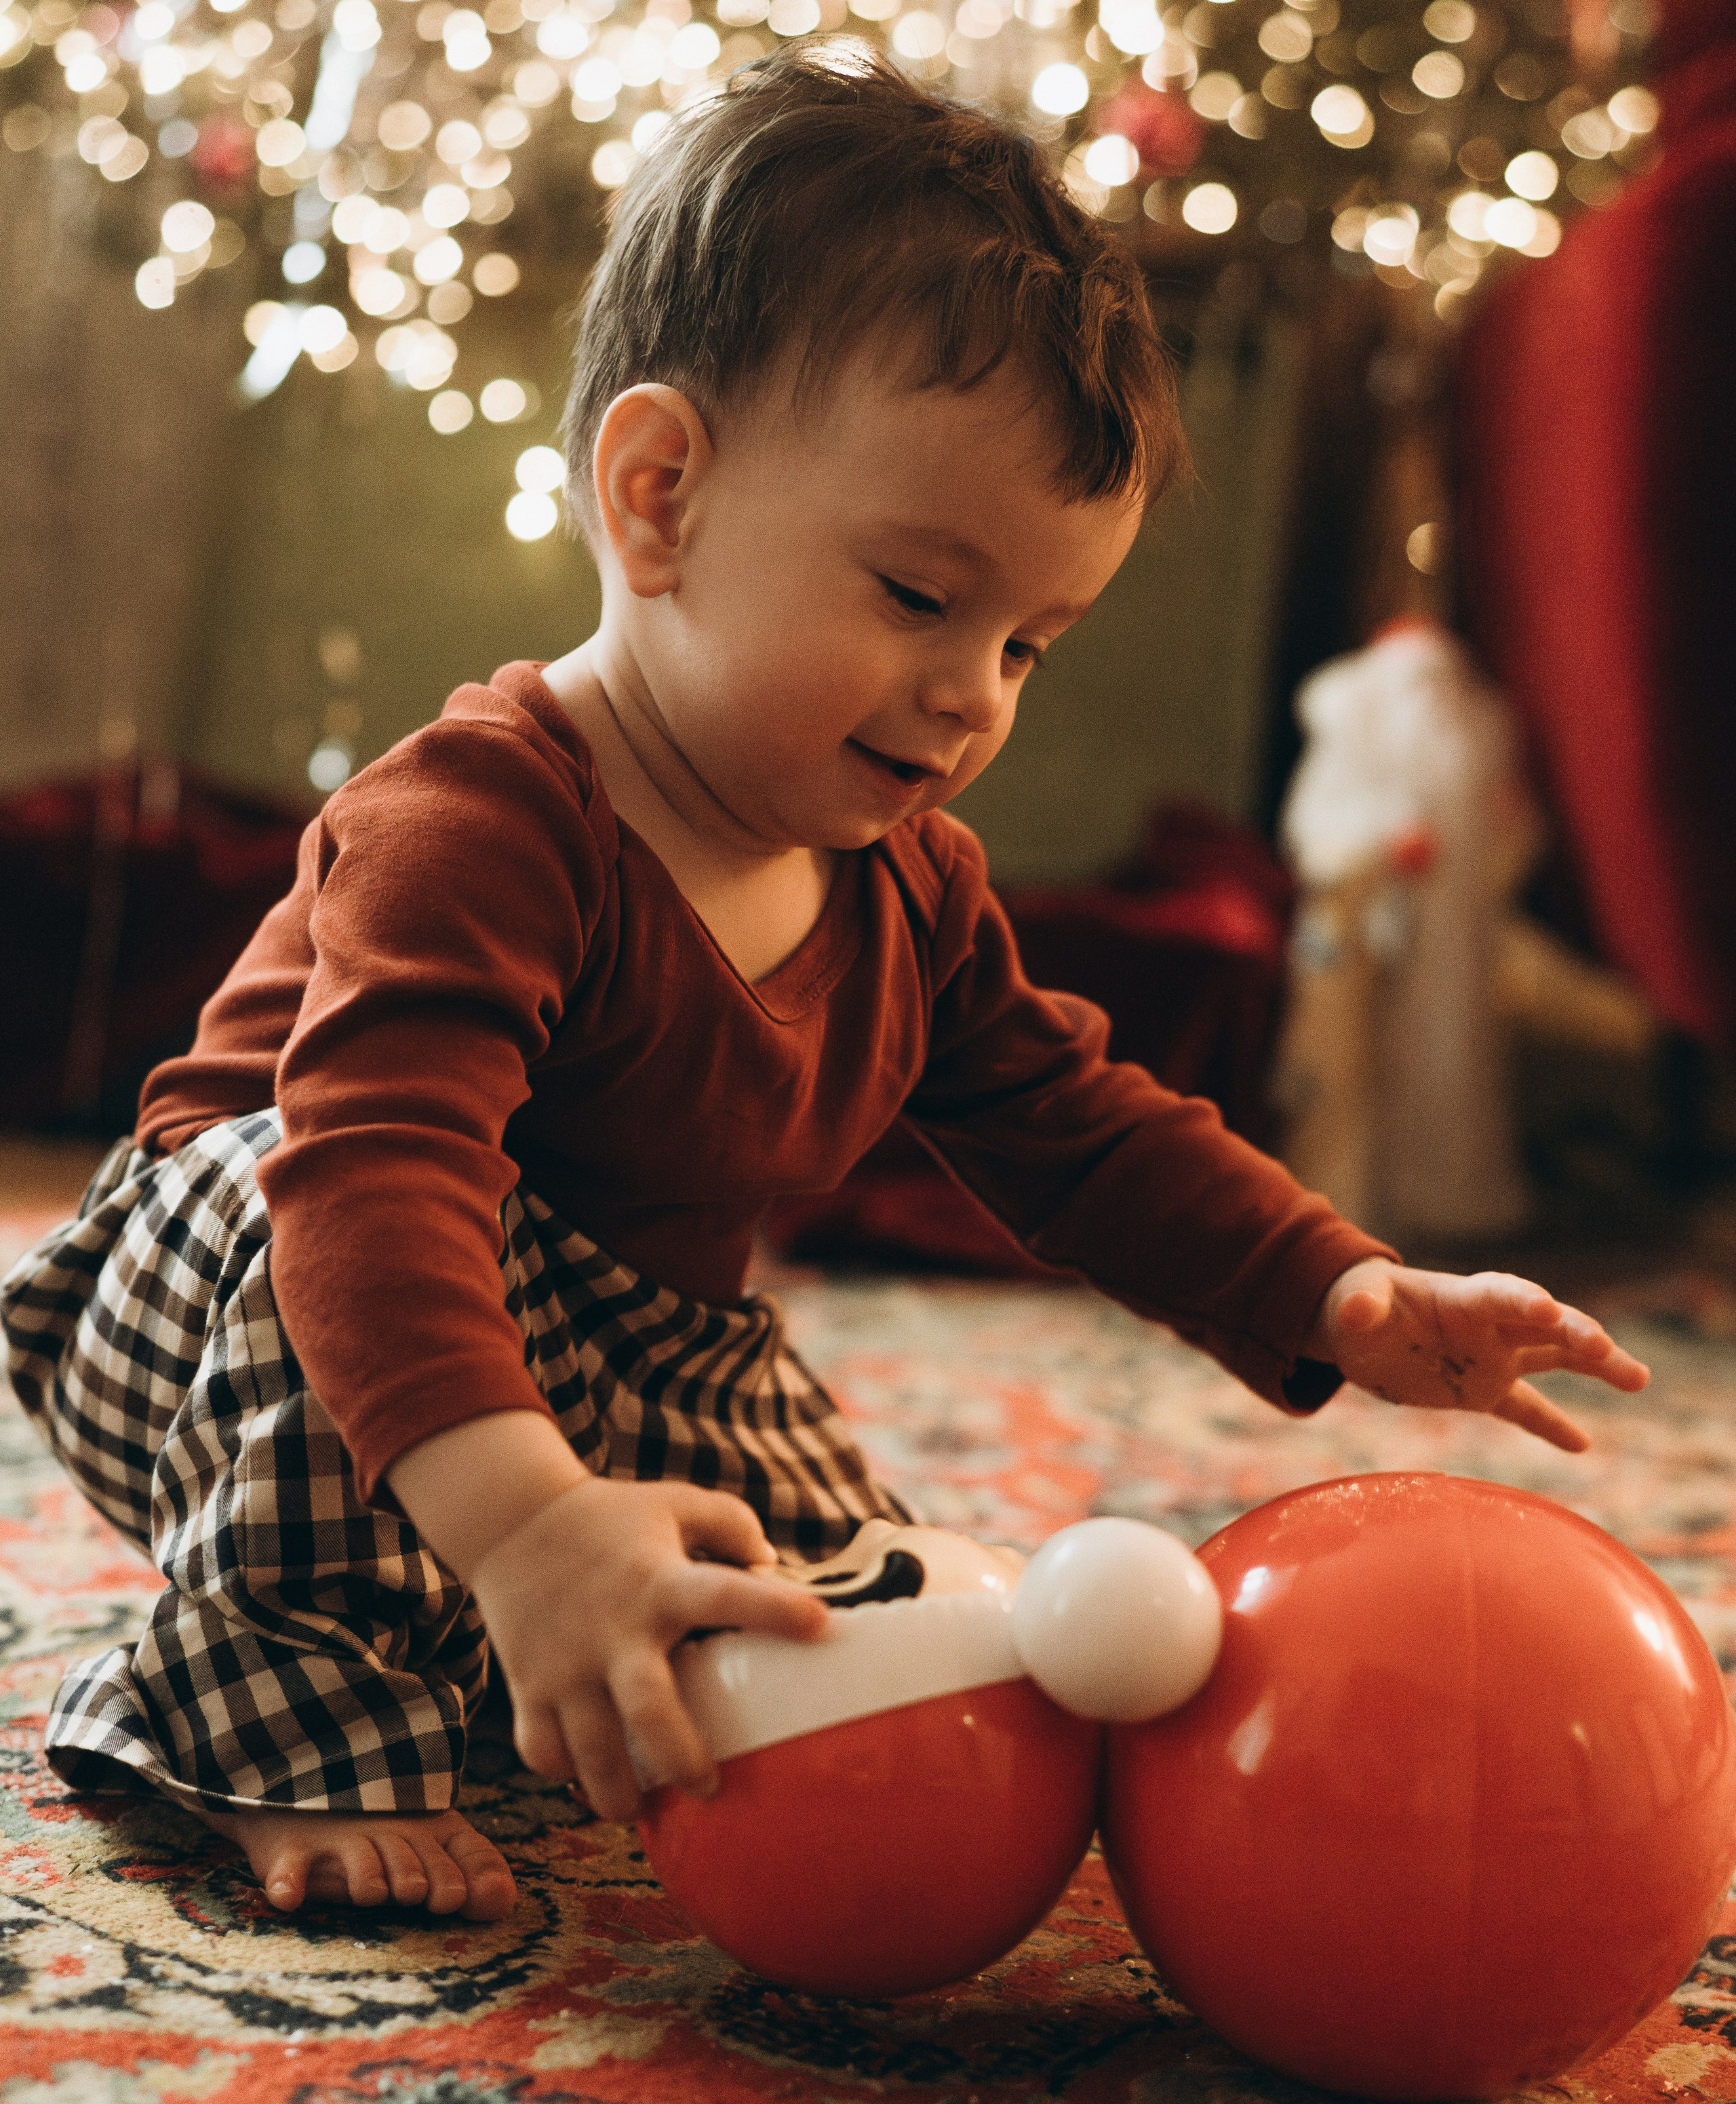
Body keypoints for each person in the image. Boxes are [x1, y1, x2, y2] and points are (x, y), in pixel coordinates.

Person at [1, 45, 1647, 1925]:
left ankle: (499, 1582)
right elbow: (372, 1174)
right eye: (921, 597)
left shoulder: (905, 889)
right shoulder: (482, 818)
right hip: (240, 1307)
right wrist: (532, 1524)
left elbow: (1080, 1126)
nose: (976, 697)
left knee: (857, 1597)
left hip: (610, 1343)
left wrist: (1337, 1287)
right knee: (323, 1222)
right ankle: (269, 1720)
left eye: (1032, 639)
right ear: (661, 496)